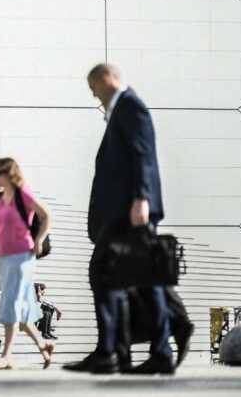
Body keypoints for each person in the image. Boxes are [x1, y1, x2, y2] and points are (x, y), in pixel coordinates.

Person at [65, 63, 174, 375]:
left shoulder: (129, 106)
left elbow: (144, 154)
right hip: (122, 212)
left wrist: (142, 198)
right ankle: (118, 352)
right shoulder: (123, 109)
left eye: (93, 87)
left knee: (113, 274)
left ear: (107, 79)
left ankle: (118, 352)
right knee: (129, 279)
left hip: (129, 212)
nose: (93, 94)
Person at [0, 158, 54, 370]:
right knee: (22, 311)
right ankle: (43, 345)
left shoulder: (23, 194)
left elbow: (46, 216)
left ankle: (7, 356)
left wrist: (38, 240)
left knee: (11, 302)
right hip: (5, 257)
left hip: (23, 256)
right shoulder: (0, 198)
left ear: (8, 174)